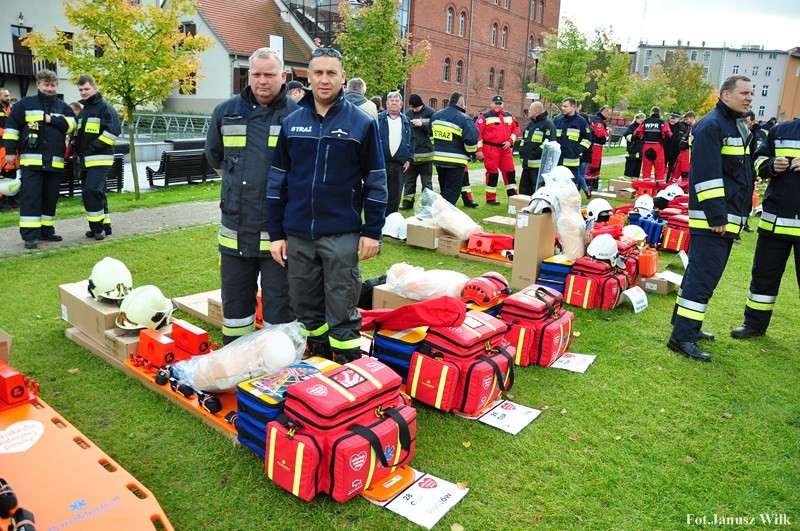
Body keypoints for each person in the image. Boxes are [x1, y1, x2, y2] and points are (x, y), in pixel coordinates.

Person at [267, 47, 386, 364]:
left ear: (342, 77)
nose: (324, 79)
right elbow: (277, 182)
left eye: (331, 73)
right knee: (305, 305)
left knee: (342, 305)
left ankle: (349, 366)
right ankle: (316, 357)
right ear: (308, 76)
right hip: (298, 234)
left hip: (341, 234)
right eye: (318, 72)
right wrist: (276, 234)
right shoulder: (292, 123)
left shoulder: (361, 123)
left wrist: (372, 232)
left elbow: (376, 181)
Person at [206, 47, 297, 344]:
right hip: (234, 231)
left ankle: (277, 368)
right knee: (235, 311)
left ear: (283, 76)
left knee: (279, 310)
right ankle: (236, 361)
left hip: (277, 236)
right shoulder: (226, 112)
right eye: (256, 74)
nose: (262, 81)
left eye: (269, 75)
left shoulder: (297, 117)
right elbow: (215, 156)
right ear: (248, 75)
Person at [667, 75, 755, 362]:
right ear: (725, 95)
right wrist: (717, 215)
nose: (749, 98)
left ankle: (685, 324)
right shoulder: (712, 125)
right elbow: (706, 176)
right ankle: (682, 338)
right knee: (703, 278)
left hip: (724, 216)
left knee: (697, 274)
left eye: (751, 94)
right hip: (714, 219)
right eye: (744, 93)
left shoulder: (732, 123)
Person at [731, 118, 800, 340]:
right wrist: (770, 166)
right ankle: (754, 324)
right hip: (775, 221)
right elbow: (757, 160)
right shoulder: (781, 130)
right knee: (763, 275)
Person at [2, 69, 75, 249]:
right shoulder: (25, 104)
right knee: (31, 198)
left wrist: (51, 120)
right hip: (31, 162)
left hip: (54, 162)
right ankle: (30, 235)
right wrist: (10, 152)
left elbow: (73, 125)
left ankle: (46, 230)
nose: (50, 88)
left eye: (53, 85)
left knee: (50, 198)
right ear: (39, 84)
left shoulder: (63, 106)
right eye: (46, 84)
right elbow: (12, 128)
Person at [74, 75, 121, 240]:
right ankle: (105, 226)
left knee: (90, 191)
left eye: (86, 89)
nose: (84, 92)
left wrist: (91, 147)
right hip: (85, 160)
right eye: (81, 90)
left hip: (100, 158)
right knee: (98, 193)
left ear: (95, 88)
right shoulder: (84, 110)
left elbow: (113, 132)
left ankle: (97, 228)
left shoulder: (105, 108)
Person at [430, 91, 479, 205]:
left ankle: (441, 214)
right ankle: (444, 216)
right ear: (461, 103)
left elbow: (431, 136)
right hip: (456, 162)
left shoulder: (436, 116)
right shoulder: (464, 119)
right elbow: (471, 142)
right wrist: (470, 152)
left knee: (444, 189)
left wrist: (439, 147)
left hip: (439, 160)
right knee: (452, 192)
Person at [475, 95, 520, 206]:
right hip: (490, 149)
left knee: (510, 172)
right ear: (491, 104)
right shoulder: (484, 117)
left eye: (500, 104)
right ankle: (490, 199)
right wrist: (479, 150)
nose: (497, 106)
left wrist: (510, 141)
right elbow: (477, 134)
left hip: (505, 149)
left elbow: (516, 128)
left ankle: (513, 198)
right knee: (492, 173)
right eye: (495, 103)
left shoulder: (509, 116)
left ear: (503, 105)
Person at [377, 91, 413, 214]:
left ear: (401, 104)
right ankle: (378, 222)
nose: (394, 103)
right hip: (381, 163)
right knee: (379, 195)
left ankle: (391, 222)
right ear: (386, 104)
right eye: (391, 101)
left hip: (399, 165)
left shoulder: (406, 121)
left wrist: (409, 159)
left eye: (396, 101)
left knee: (395, 196)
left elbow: (411, 141)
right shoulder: (378, 119)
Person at [401, 93, 434, 210]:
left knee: (427, 183)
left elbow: (434, 130)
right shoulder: (408, 114)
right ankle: (407, 203)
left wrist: (423, 125)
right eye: (412, 107)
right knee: (409, 182)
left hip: (426, 155)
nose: (414, 109)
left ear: (421, 104)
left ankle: (428, 205)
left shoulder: (430, 113)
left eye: (416, 107)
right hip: (411, 156)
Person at [553, 97, 592, 195]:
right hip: (558, 160)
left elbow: (588, 139)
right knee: (557, 186)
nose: (563, 108)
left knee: (571, 187)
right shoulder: (558, 120)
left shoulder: (581, 122)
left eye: (566, 106)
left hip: (572, 162)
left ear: (573, 107)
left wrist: (577, 150)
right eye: (562, 106)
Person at [518, 100, 555, 194]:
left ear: (536, 111)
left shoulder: (548, 124)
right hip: (527, 164)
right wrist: (521, 151)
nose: (528, 111)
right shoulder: (531, 124)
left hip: (538, 166)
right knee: (524, 188)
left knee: (537, 188)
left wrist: (535, 153)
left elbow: (549, 143)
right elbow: (524, 139)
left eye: (530, 109)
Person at [635, 106, 672, 182]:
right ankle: (658, 188)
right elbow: (668, 134)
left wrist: (643, 136)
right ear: (659, 113)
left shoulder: (645, 122)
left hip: (646, 146)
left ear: (651, 113)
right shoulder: (662, 122)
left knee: (646, 168)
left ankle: (646, 188)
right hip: (658, 146)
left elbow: (636, 133)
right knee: (659, 167)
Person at [0, 87, 19, 212]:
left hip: (11, 147)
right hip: (2, 147)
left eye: (8, 95)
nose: (8, 97)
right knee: (2, 175)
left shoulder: (9, 110)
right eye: (5, 96)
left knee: (12, 175)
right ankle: (2, 205)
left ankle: (12, 202)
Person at [670, 111, 695, 181]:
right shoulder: (689, 128)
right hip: (683, 151)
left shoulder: (695, 127)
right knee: (676, 170)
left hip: (688, 152)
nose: (685, 121)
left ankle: (685, 187)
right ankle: (673, 183)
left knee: (685, 172)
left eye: (687, 119)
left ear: (692, 118)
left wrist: (686, 145)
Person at [623, 113, 645, 178]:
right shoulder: (631, 127)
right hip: (631, 152)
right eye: (641, 121)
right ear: (637, 119)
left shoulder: (643, 127)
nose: (642, 123)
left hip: (639, 153)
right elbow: (628, 137)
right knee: (629, 170)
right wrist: (635, 136)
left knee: (637, 171)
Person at [664, 112, 685, 178]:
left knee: (672, 169)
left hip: (675, 152)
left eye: (674, 119)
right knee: (661, 168)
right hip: (665, 150)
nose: (672, 120)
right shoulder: (666, 126)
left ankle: (668, 182)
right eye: (671, 118)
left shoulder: (682, 127)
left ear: (678, 119)